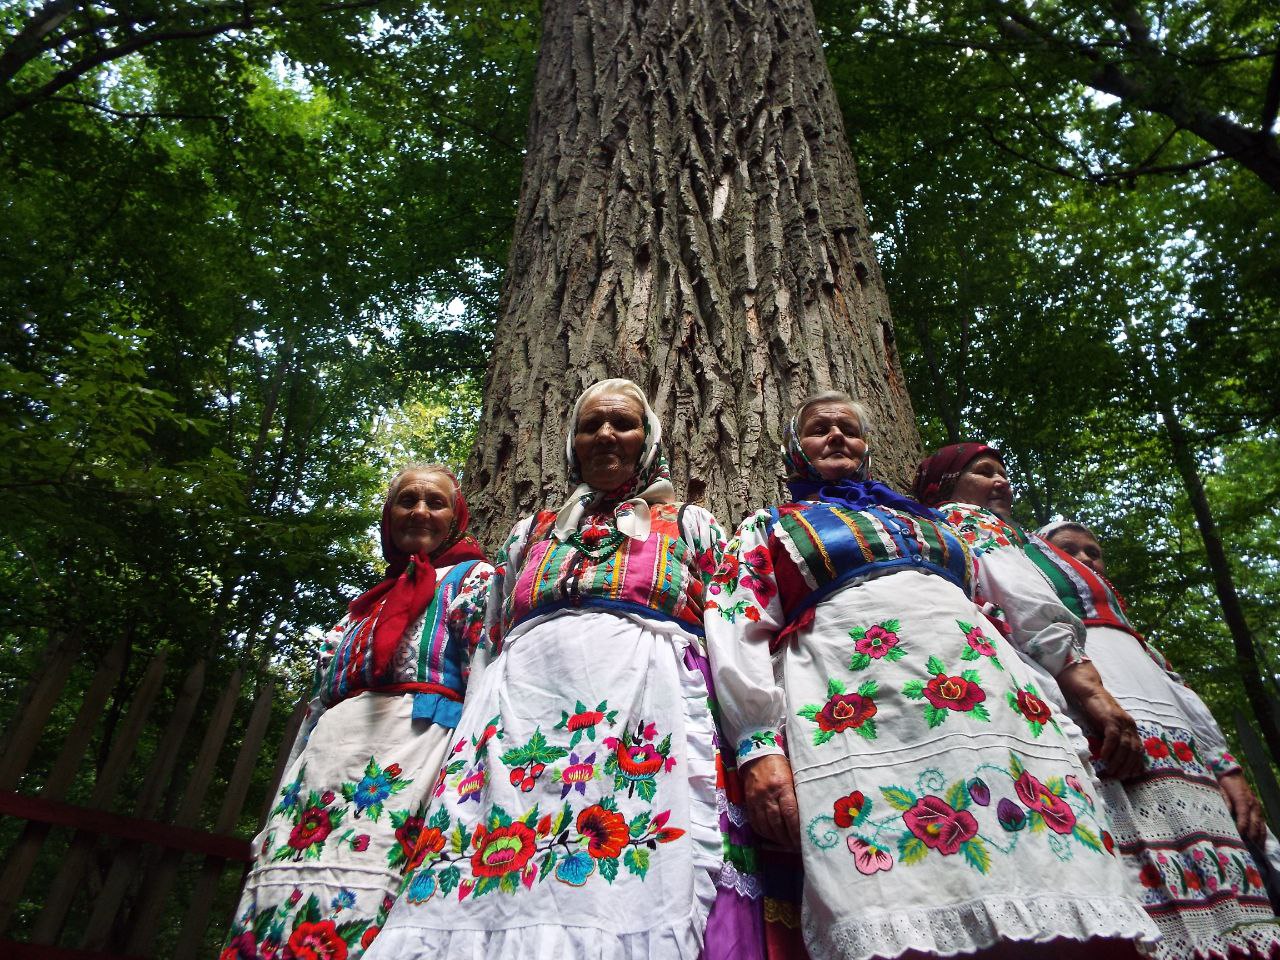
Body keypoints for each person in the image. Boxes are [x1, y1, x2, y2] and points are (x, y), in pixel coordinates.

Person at [706, 396, 1155, 960]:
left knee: (1049, 882)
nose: (838, 438)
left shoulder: (940, 523)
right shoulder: (769, 526)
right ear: (796, 448)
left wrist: (1089, 690)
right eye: (820, 430)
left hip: (996, 708)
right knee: (904, 900)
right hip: (856, 710)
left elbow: (1021, 606)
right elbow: (736, 625)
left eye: (850, 429)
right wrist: (759, 748)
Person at [366, 379, 761, 959]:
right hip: (521, 712)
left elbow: (732, 625)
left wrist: (753, 736)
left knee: (627, 865)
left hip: (647, 704)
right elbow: (491, 636)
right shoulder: (532, 534)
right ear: (573, 443)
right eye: (590, 424)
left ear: (647, 439)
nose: (606, 434)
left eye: (623, 423)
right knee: (490, 867)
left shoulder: (692, 525)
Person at [222, 465, 490, 960]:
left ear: (456, 517)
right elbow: (318, 704)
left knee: (375, 895)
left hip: (414, 754)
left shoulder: (474, 581)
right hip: (323, 766)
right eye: (406, 501)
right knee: (281, 892)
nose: (420, 512)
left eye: (435, 502)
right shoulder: (362, 607)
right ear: (389, 517)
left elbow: (486, 680)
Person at [1037, 518, 1280, 959]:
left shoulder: (1138, 641)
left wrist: (1228, 769)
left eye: (1094, 552)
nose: (1088, 559)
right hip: (1111, 764)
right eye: (1071, 550)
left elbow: (1186, 701)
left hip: (1193, 778)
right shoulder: (1048, 631)